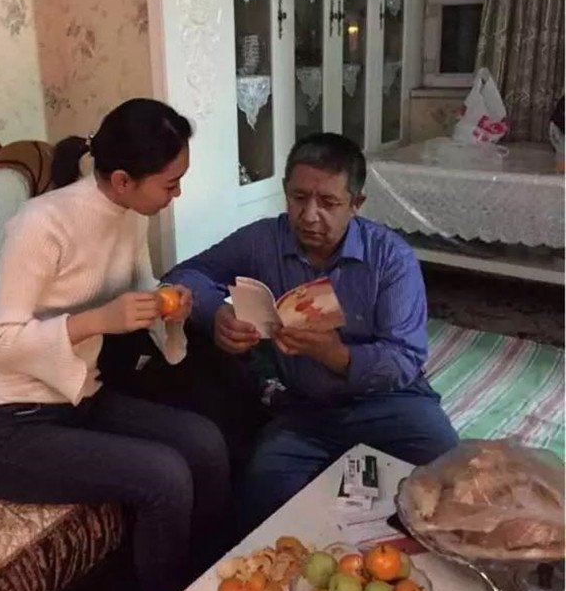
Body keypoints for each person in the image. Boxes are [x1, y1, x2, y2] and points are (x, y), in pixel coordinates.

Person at [0, 98, 230, 591]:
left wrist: (168, 306)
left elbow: (142, 287)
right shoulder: (41, 224)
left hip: (79, 398)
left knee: (205, 442)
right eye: (170, 184)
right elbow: (0, 342)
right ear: (124, 180)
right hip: (8, 425)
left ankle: (215, 576)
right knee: (165, 476)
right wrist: (97, 320)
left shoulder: (130, 213)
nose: (177, 194)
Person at [164, 132, 459, 531]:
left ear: (356, 204)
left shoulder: (391, 258)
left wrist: (336, 354)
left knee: (448, 479)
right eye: (299, 198)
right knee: (261, 497)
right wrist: (215, 312)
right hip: (305, 409)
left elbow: (405, 358)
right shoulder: (264, 240)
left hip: (392, 402)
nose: (309, 215)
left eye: (328, 203)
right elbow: (184, 274)